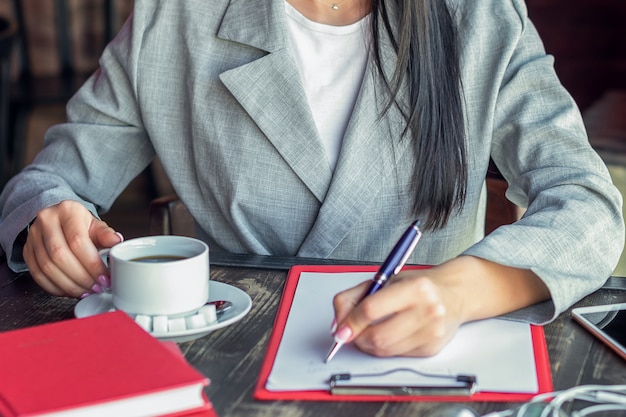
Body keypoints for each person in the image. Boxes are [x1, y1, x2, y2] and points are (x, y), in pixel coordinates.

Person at [0, 0, 623, 358]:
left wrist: (459, 292)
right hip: (229, 355)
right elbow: (52, 178)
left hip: (428, 360)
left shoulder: (482, 17)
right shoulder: (175, 20)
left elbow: (588, 207)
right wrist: (48, 220)